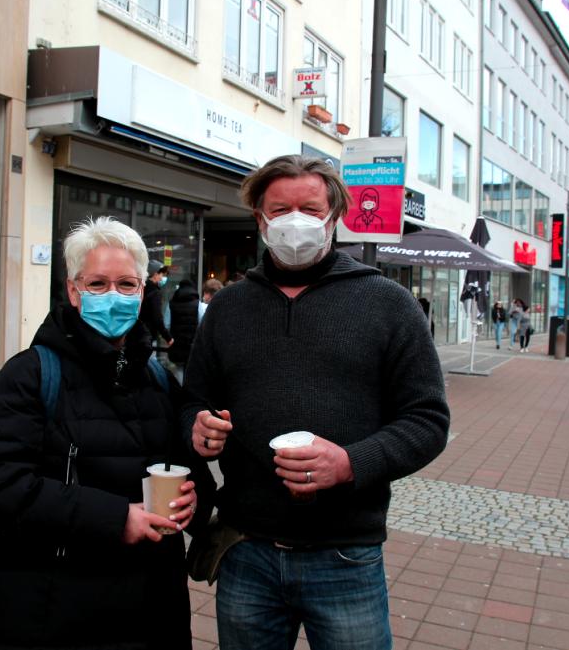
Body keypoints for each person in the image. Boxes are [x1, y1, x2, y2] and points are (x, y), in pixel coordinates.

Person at [182, 154, 450, 650]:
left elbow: (428, 420)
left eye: (309, 207)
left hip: (346, 554)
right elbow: (193, 401)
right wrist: (196, 430)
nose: (294, 220)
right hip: (245, 550)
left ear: (335, 217)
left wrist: (350, 463)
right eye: (279, 209)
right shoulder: (227, 308)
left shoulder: (389, 304)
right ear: (259, 219)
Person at [0, 218, 214, 650]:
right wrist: (117, 519)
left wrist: (195, 497)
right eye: (97, 284)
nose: (113, 296)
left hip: (150, 609)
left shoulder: (156, 378)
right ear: (74, 291)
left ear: (142, 293)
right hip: (52, 610)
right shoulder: (30, 374)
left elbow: (186, 471)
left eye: (127, 284)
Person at [168, 279, 201, 377]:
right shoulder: (198, 304)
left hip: (176, 345)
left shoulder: (171, 304)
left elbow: (166, 324)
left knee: (178, 371)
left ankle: (178, 391)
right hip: (193, 346)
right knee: (192, 373)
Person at [140, 260, 173, 351]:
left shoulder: (140, 289)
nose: (163, 278)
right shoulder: (155, 293)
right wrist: (168, 337)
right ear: (155, 274)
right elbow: (157, 318)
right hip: (149, 335)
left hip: (137, 334)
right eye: (162, 275)